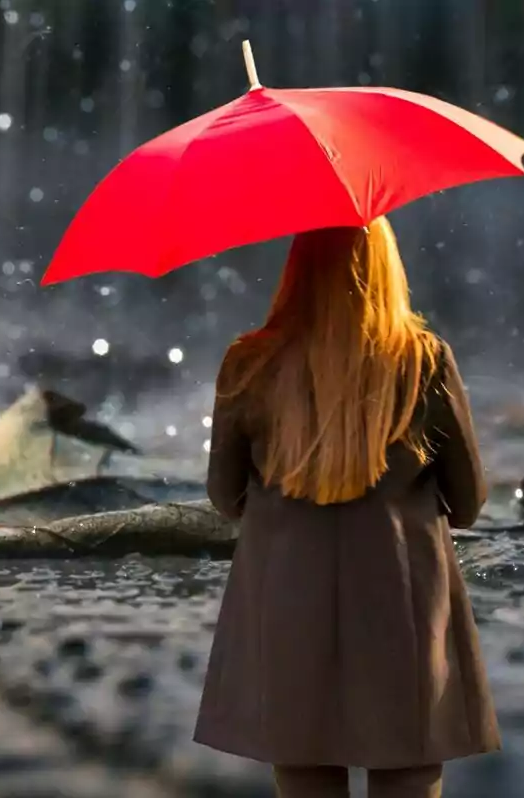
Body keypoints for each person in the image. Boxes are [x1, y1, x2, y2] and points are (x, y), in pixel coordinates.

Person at [193, 216, 501, 798]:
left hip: (288, 600)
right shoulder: (423, 361)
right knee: (408, 770)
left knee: (305, 771)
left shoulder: (249, 363)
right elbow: (467, 505)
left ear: (297, 271)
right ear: (386, 269)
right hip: (402, 601)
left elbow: (224, 496)